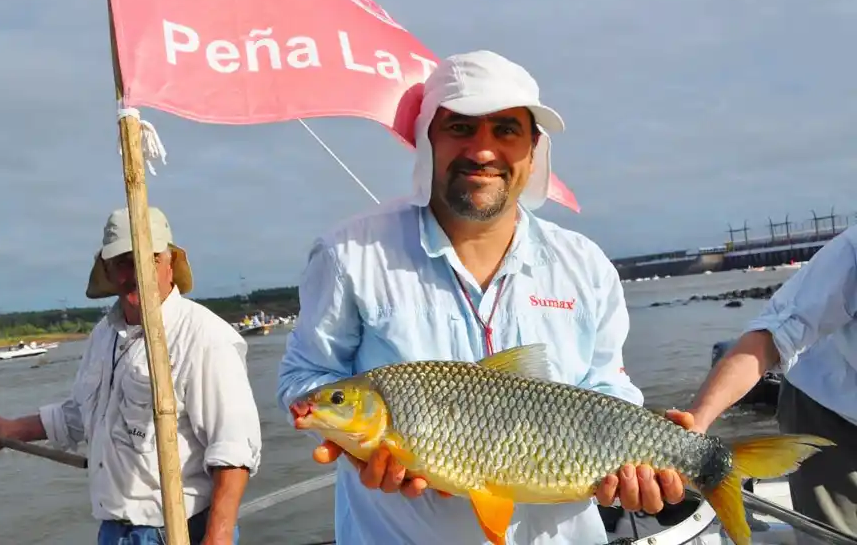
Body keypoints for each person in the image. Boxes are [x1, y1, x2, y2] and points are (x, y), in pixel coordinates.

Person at [276, 50, 690, 545]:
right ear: (427, 138)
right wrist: (347, 443)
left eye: (506, 130)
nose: (483, 150)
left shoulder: (585, 265)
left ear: (533, 150)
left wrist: (642, 463)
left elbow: (607, 389)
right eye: (460, 128)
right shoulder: (350, 254)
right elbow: (303, 378)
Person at [0, 206, 263, 545]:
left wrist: (216, 538)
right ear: (108, 270)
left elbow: (233, 449)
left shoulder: (205, 336)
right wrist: (9, 430)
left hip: (181, 532)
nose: (137, 272)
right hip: (114, 532)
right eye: (123, 262)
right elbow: (81, 415)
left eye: (150, 258)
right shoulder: (103, 335)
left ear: (170, 264)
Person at [688, 225, 857, 540]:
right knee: (834, 536)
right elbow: (771, 336)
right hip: (827, 404)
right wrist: (697, 422)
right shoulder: (852, 252)